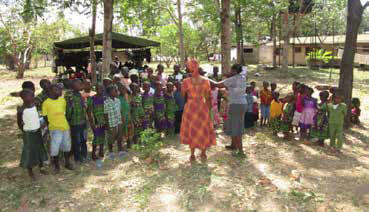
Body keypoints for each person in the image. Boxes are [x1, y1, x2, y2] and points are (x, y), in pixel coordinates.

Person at [181, 59, 216, 162]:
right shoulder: (205, 81)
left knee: (192, 128)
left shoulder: (186, 81)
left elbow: (183, 95)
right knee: (202, 129)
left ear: (190, 68)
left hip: (190, 107)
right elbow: (208, 97)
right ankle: (203, 154)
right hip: (202, 106)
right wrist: (209, 111)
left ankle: (192, 155)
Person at [212, 64, 247, 157]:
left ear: (234, 70)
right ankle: (233, 145)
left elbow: (217, 85)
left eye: (231, 69)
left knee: (236, 128)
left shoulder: (233, 79)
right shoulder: (242, 77)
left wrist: (204, 78)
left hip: (236, 105)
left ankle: (241, 152)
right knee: (233, 125)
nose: (230, 71)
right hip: (241, 104)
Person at [42, 84, 74, 174]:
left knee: (67, 146)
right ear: (51, 92)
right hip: (55, 129)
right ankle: (56, 166)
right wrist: (50, 126)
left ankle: (67, 162)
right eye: (58, 90)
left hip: (65, 127)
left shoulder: (62, 100)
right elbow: (45, 116)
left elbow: (64, 112)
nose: (60, 91)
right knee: (55, 148)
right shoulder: (46, 103)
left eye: (60, 90)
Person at [17, 89, 48, 180]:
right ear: (23, 98)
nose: (32, 98)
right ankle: (30, 170)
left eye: (32, 96)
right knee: (29, 151)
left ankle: (41, 166)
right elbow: (19, 122)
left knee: (39, 147)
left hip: (37, 131)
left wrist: (40, 124)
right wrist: (24, 130)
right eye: (30, 96)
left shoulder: (35, 105)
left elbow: (37, 115)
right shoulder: (21, 109)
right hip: (28, 133)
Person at [66, 79, 88, 163]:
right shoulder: (69, 95)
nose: (81, 86)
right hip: (74, 122)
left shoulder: (80, 95)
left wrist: (84, 104)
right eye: (78, 84)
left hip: (82, 121)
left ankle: (84, 154)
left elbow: (84, 106)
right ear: (73, 86)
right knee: (76, 140)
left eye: (80, 84)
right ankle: (77, 157)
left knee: (83, 139)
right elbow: (68, 109)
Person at [87, 84, 106, 160]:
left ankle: (101, 150)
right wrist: (92, 123)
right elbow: (89, 111)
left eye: (102, 88)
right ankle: (93, 153)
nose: (100, 90)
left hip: (104, 121)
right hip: (96, 121)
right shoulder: (92, 99)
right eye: (99, 88)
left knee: (103, 136)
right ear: (96, 89)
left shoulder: (105, 98)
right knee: (96, 137)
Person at [104, 85, 124, 159]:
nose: (116, 92)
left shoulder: (118, 100)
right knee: (111, 137)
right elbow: (105, 114)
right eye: (114, 91)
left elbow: (120, 111)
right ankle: (110, 150)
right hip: (111, 123)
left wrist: (122, 119)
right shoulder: (106, 102)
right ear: (109, 93)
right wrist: (107, 125)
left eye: (116, 90)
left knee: (119, 136)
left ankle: (120, 149)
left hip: (119, 122)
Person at [118, 83, 134, 148]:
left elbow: (129, 103)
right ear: (119, 90)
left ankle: (129, 142)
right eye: (121, 89)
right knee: (123, 130)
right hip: (122, 116)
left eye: (124, 89)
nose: (123, 90)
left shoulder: (127, 95)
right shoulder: (118, 98)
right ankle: (123, 144)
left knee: (130, 128)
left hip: (128, 115)